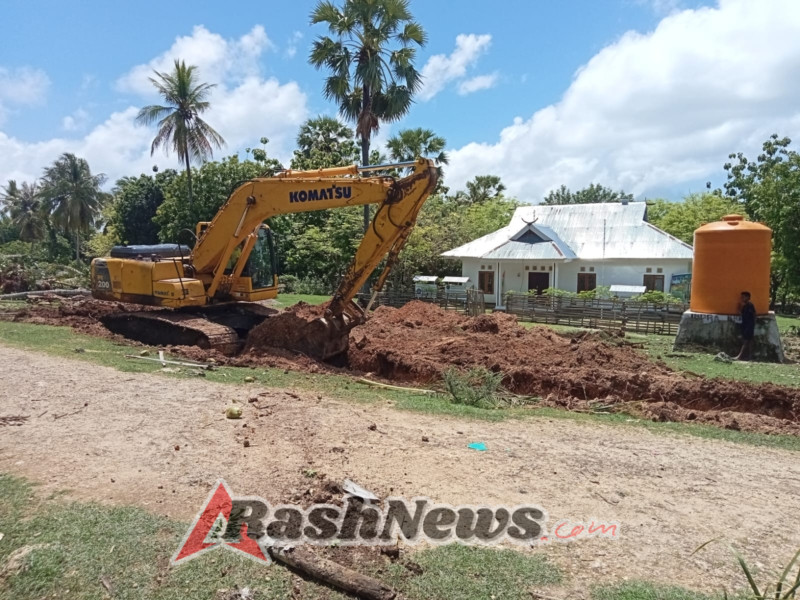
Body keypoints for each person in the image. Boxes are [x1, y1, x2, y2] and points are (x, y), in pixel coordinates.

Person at [735, 291, 756, 361]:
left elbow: (752, 316)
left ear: (748, 298)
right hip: (746, 325)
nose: (742, 298)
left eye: (743, 297)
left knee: (746, 341)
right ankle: (750, 357)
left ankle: (739, 356)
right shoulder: (746, 306)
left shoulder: (750, 306)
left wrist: (750, 326)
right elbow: (743, 315)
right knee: (749, 341)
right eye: (741, 297)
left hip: (749, 325)